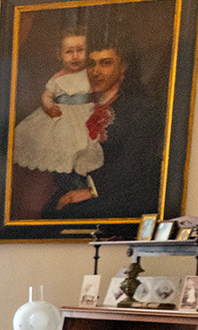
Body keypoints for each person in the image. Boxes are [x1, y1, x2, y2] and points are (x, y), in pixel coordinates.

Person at [45, 42, 167, 220]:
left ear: (123, 67)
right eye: (91, 64)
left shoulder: (141, 109)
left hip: (120, 195)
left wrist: (92, 189)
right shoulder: (77, 107)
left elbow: (133, 163)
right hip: (76, 189)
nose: (96, 72)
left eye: (106, 63)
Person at [11, 28, 101, 179]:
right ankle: (63, 175)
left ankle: (81, 176)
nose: (75, 56)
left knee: (84, 145)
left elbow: (98, 92)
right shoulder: (58, 78)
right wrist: (49, 107)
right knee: (60, 142)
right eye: (69, 52)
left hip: (85, 114)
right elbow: (47, 95)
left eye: (80, 50)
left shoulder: (90, 74)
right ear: (59, 55)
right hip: (62, 117)